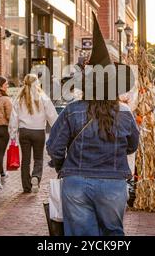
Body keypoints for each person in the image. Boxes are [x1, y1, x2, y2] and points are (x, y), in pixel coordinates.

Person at [47, 13, 139, 236]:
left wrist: (62, 165)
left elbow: (54, 147)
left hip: (75, 181)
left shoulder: (72, 110)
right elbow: (132, 146)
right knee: (113, 233)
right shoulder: (125, 113)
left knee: (81, 235)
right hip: (113, 181)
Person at [11, 74, 58, 194]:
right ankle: (36, 177)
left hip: (24, 132)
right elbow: (52, 115)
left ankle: (26, 187)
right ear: (37, 83)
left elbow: (13, 117)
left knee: (25, 160)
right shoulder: (43, 97)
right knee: (38, 158)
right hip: (38, 132)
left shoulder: (19, 98)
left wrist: (12, 134)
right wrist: (58, 129)